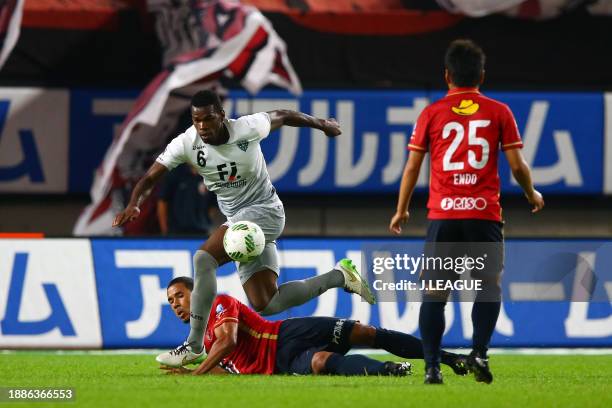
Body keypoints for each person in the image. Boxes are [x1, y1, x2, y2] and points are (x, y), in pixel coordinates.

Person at [113, 90, 376, 367]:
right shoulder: (186, 143)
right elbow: (150, 177)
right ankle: (340, 276)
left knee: (204, 258)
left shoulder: (247, 128)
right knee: (266, 303)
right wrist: (134, 204)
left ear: (222, 116)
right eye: (196, 120)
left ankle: (193, 344)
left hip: (266, 211)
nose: (202, 126)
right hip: (240, 224)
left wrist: (323, 124)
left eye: (208, 119)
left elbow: (284, 115)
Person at [389, 39, 544, 384]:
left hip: (443, 216)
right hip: (483, 215)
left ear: (447, 75)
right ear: (482, 75)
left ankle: (431, 367)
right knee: (488, 287)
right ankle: (480, 355)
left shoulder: (431, 113)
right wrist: (531, 192)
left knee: (435, 292)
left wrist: (401, 210)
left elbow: (412, 167)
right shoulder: (499, 111)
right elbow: (517, 165)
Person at [161, 277, 468, 376]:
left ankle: (449, 358)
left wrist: (196, 374)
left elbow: (227, 342)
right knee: (321, 362)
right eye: (171, 301)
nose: (176, 304)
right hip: (281, 363)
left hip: (287, 335)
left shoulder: (219, 303)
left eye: (180, 296)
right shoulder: (198, 341)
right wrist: (197, 369)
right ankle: (389, 370)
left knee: (369, 334)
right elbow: (225, 365)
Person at [157, 163, 217, 236]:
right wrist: (165, 231)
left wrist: (209, 226)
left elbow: (214, 206)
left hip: (202, 232)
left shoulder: (211, 175)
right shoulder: (175, 173)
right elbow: (162, 202)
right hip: (176, 232)